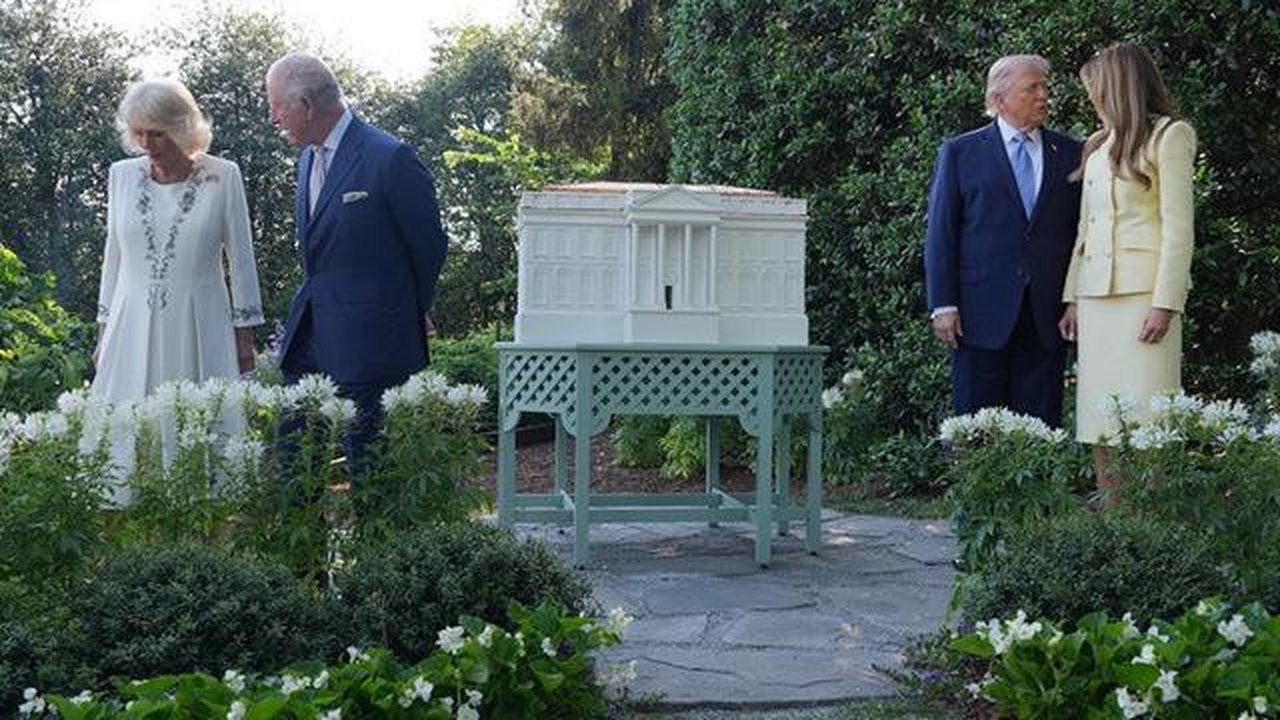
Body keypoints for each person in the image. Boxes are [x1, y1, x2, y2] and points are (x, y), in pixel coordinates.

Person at [265, 52, 447, 468]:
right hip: (309, 335)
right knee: (293, 460)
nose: (273, 117)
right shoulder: (308, 157)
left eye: (277, 105)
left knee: (371, 467)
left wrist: (407, 311)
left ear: (307, 106)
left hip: (373, 343)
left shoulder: (390, 158)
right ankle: (306, 536)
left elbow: (429, 247)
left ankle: (376, 537)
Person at [1057, 43, 1195, 497]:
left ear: (1117, 87)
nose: (1092, 97)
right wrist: (1072, 298)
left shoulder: (1170, 135)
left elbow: (1179, 229)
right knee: (1099, 421)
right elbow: (1085, 230)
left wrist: (1165, 303)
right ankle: (1115, 524)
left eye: (1095, 88)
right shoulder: (1096, 146)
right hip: (1097, 302)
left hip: (1144, 299)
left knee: (1149, 420)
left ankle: (1153, 526)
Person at [924, 55, 1083, 427]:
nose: (1044, 95)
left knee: (1041, 426)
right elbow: (941, 233)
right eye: (1032, 88)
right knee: (978, 426)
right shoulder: (961, 152)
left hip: (1047, 314)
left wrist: (1075, 298)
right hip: (979, 313)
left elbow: (1081, 232)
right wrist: (943, 303)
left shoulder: (1071, 153)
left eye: (1045, 87)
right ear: (999, 99)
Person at [93, 78, 263, 403]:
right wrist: (104, 335)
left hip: (201, 320)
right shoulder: (121, 176)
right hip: (129, 323)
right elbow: (113, 259)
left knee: (199, 425)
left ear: (182, 128)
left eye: (157, 133)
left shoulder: (223, 176)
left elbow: (241, 261)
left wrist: (244, 337)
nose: (147, 143)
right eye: (139, 132)